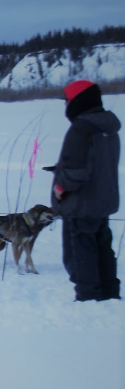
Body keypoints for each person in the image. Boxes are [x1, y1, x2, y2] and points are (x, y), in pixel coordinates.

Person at [50, 80, 120, 302]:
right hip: (102, 201)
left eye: (68, 101)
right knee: (102, 250)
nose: (66, 106)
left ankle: (88, 298)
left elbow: (75, 169)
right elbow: (95, 163)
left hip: (80, 204)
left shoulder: (81, 128)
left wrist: (61, 187)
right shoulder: (107, 126)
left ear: (78, 101)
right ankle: (109, 295)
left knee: (79, 255)